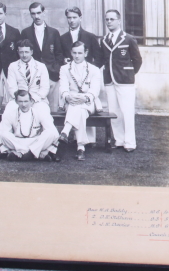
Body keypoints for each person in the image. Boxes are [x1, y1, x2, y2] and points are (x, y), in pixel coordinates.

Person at [100, 9, 142, 152]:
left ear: (119, 21)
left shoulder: (128, 38)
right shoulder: (104, 40)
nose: (109, 22)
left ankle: (130, 142)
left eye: (112, 19)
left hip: (125, 81)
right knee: (114, 111)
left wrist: (129, 73)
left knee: (127, 111)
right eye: (107, 19)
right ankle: (118, 140)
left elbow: (137, 60)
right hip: (109, 80)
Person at [58, 42, 103, 161]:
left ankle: (65, 132)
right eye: (74, 53)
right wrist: (67, 97)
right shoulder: (64, 68)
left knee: (81, 106)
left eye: (80, 53)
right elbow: (63, 87)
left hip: (88, 101)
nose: (77, 56)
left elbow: (95, 90)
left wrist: (86, 97)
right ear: (71, 53)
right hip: (71, 101)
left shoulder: (94, 69)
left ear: (86, 53)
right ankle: (81, 147)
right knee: (80, 110)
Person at [21, 2, 63, 111]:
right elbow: (23, 54)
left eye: (39, 13)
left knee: (53, 109)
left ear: (44, 13)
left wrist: (56, 71)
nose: (37, 16)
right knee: (35, 108)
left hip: (52, 76)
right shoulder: (25, 32)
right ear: (30, 15)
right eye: (33, 14)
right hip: (34, 77)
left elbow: (59, 54)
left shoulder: (54, 32)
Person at [0, 90, 60, 161]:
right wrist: (6, 150)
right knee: (3, 134)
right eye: (20, 101)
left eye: (26, 101)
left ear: (31, 102)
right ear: (16, 102)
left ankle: (21, 153)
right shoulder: (11, 115)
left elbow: (53, 132)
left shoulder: (39, 113)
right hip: (18, 142)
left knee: (50, 133)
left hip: (35, 141)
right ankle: (35, 153)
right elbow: (3, 134)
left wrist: (48, 150)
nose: (23, 105)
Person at [6, 39, 50, 105]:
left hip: (38, 99)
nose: (24, 55)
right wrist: (22, 100)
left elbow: (45, 88)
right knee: (10, 110)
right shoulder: (13, 66)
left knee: (42, 112)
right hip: (18, 100)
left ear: (31, 52)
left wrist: (33, 99)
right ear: (18, 52)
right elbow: (12, 88)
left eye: (26, 52)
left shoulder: (41, 66)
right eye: (21, 52)